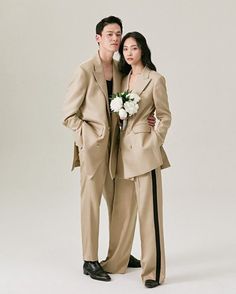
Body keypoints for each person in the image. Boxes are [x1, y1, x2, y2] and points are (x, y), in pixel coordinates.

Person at [62, 17, 155, 282]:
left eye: (119, 34)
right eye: (110, 34)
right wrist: (88, 137)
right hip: (93, 150)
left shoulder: (120, 69)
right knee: (91, 204)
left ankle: (120, 254)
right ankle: (89, 260)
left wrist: (147, 118)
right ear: (98, 38)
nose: (116, 39)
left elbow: (132, 101)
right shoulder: (84, 70)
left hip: (119, 148)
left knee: (120, 204)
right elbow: (68, 114)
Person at [101, 32, 171, 288]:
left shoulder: (155, 79)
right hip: (122, 154)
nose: (129, 53)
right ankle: (115, 261)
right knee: (122, 211)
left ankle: (153, 272)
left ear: (143, 50)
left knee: (149, 215)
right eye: (125, 49)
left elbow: (165, 116)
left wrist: (154, 141)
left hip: (144, 153)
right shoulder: (122, 79)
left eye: (134, 48)